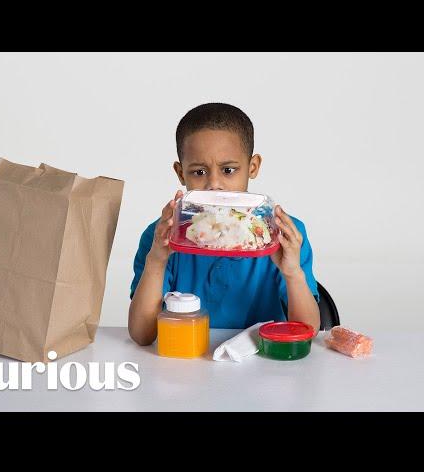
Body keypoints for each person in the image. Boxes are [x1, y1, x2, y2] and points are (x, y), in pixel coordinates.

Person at [128, 103, 320, 345]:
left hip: (265, 361)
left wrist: (292, 272)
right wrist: (156, 260)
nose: (214, 185)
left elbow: (308, 333)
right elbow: (141, 335)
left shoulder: (284, 235)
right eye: (199, 172)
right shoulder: (161, 236)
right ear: (180, 173)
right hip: (187, 360)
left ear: (253, 167)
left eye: (228, 170)